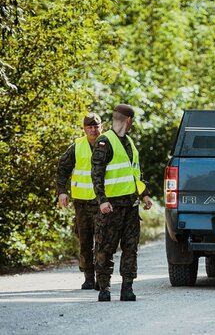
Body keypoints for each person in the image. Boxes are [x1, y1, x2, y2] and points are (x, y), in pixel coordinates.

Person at [91, 103, 153, 302]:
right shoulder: (105, 142)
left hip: (131, 206)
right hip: (111, 206)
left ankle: (127, 288)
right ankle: (104, 288)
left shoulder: (129, 143)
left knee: (130, 248)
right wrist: (102, 200)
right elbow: (96, 175)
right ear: (128, 120)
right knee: (105, 247)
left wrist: (144, 194)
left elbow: (136, 173)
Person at [57, 112, 103, 290]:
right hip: (82, 203)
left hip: (102, 202)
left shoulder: (107, 143)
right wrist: (62, 192)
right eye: (89, 127)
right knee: (85, 241)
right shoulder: (77, 146)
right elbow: (62, 168)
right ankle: (88, 277)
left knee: (102, 241)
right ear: (84, 129)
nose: (93, 129)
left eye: (96, 126)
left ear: (101, 126)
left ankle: (102, 278)